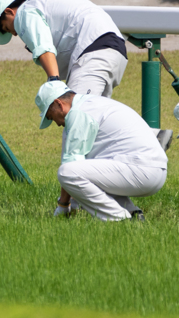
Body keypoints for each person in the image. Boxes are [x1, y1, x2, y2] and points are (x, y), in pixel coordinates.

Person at [36, 80, 168, 221]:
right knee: (90, 166)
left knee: (66, 172)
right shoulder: (93, 103)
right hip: (155, 170)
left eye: (50, 116)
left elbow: (71, 167)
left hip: (142, 171)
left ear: (58, 104)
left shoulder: (78, 113)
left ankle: (120, 219)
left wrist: (63, 207)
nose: (56, 124)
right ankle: (133, 213)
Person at [0, 0, 128, 98]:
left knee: (76, 119)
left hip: (94, 53)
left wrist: (54, 82)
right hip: (116, 50)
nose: (14, 34)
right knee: (96, 126)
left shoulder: (24, 13)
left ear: (9, 12)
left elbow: (43, 47)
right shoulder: (42, 2)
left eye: (7, 28)